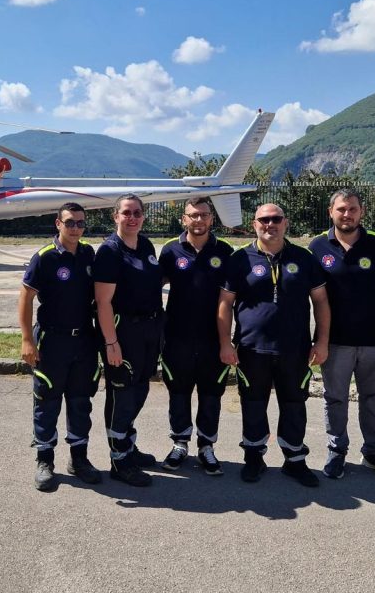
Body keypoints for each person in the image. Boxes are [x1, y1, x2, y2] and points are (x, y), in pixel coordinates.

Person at [218, 203, 331, 487]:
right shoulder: (239, 259)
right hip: (251, 348)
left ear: (286, 222)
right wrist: (225, 343)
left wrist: (322, 341)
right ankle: (253, 457)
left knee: (294, 404)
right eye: (264, 219)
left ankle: (295, 460)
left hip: (295, 349)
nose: (270, 224)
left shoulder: (303, 257)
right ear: (254, 224)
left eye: (276, 219)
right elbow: (225, 304)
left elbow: (320, 302)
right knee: (253, 403)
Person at [309, 189, 375, 481]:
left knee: (372, 398)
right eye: (341, 209)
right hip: (335, 340)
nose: (347, 214)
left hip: (374, 339)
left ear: (361, 212)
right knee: (335, 398)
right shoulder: (317, 246)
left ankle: (374, 451)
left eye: (352, 209)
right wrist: (318, 340)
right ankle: (336, 450)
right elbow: (312, 296)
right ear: (330, 212)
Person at [19, 202, 102, 492]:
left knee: (81, 401)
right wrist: (27, 340)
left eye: (80, 223)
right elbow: (25, 298)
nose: (76, 228)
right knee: (47, 401)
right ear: (58, 224)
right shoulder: (44, 257)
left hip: (84, 341)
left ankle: (79, 459)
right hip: (52, 341)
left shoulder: (89, 254)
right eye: (70, 223)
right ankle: (45, 461)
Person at [157, 197, 234, 476]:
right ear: (184, 219)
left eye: (203, 215)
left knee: (211, 393)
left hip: (213, 338)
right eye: (193, 215)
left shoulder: (224, 251)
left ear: (211, 218)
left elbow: (232, 296)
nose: (198, 220)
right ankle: (180, 443)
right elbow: (152, 286)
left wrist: (228, 341)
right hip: (177, 337)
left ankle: (206, 446)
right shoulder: (170, 250)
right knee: (178, 392)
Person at [94, 193, 164, 487]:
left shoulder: (145, 245)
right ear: (116, 217)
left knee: (140, 390)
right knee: (122, 395)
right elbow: (103, 302)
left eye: (137, 213)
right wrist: (111, 343)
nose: (132, 218)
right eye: (126, 213)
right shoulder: (110, 252)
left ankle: (128, 445)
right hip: (123, 332)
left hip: (149, 330)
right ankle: (119, 460)